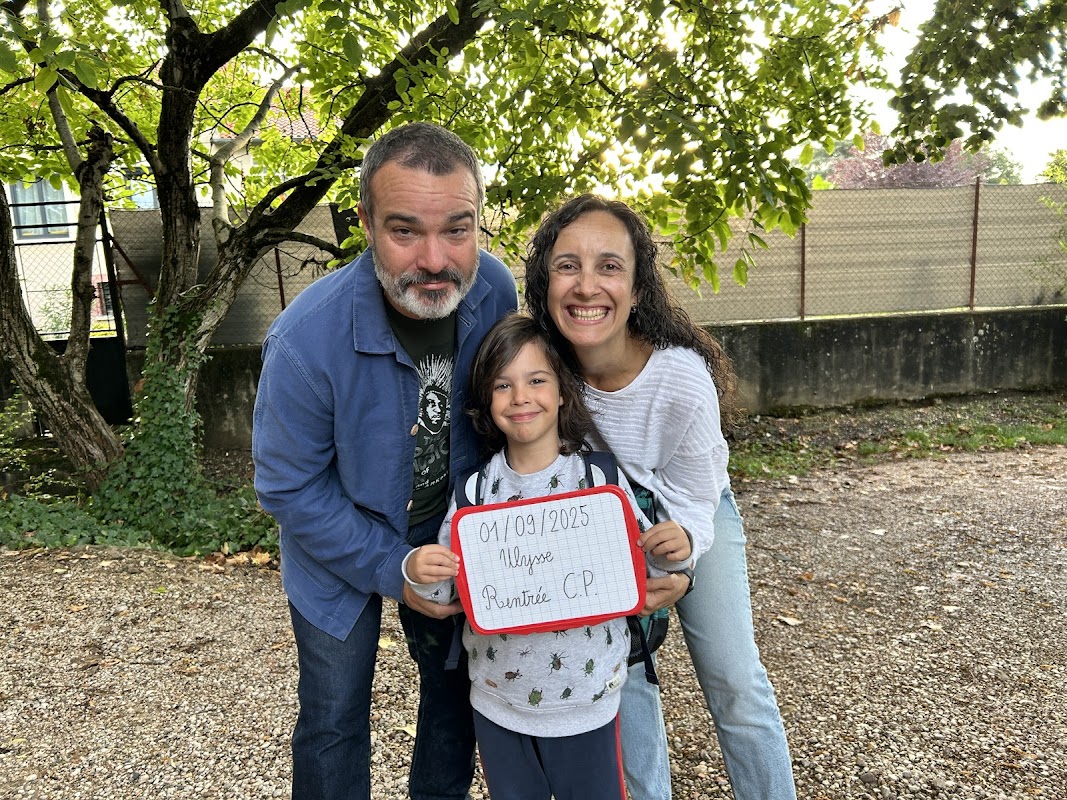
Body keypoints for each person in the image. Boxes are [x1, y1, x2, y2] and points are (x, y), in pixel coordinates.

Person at [252, 122, 518, 800]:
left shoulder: (494, 289)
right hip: (335, 542)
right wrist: (390, 566)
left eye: (456, 230)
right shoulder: (303, 340)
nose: (434, 259)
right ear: (366, 223)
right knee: (334, 715)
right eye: (405, 231)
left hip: (452, 535)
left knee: (456, 696)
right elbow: (287, 486)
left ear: (479, 221)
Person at [524, 194, 797, 800]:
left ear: (638, 289)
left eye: (609, 266)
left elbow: (701, 491)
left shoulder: (680, 375)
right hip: (606, 523)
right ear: (545, 284)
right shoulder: (544, 374)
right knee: (622, 679)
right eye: (567, 266)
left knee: (734, 680)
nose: (586, 285)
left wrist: (686, 561)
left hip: (694, 512)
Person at [404, 313, 693, 800]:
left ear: (562, 391)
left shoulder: (599, 481)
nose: (520, 397)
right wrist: (419, 571)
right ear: (485, 400)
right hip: (497, 700)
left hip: (589, 699)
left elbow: (647, 567)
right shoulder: (475, 493)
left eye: (536, 380)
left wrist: (672, 551)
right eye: (503, 385)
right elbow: (446, 592)